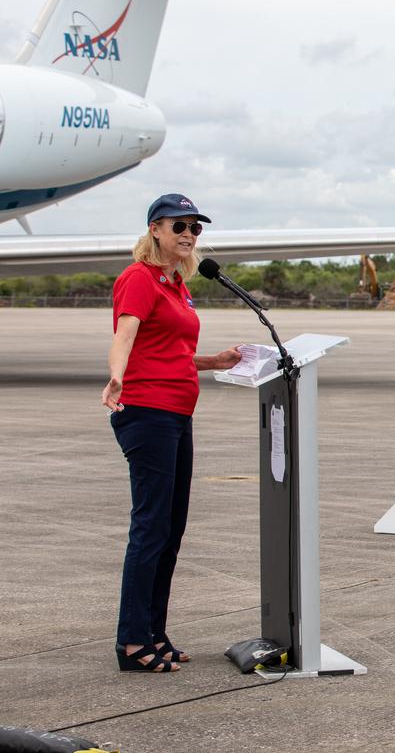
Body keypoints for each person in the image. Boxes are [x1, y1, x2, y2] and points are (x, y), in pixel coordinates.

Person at [102, 194, 242, 673]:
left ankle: (153, 633)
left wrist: (213, 362)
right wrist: (116, 375)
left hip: (176, 413)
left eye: (195, 228)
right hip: (146, 411)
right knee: (150, 527)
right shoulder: (138, 279)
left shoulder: (176, 284)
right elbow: (126, 333)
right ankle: (132, 642)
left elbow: (170, 350)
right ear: (155, 229)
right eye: (179, 225)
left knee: (170, 528)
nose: (188, 234)